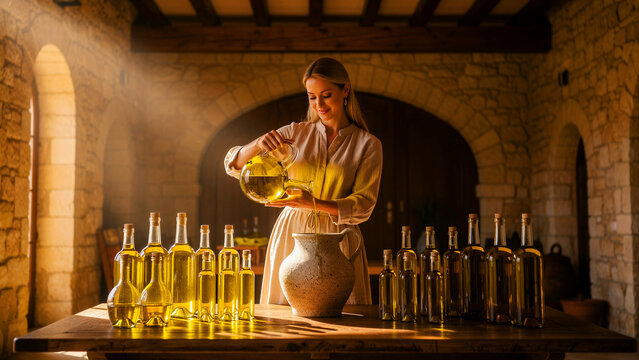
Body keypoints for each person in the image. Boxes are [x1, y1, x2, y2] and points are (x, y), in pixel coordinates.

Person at [224, 57, 383, 305]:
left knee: (345, 320)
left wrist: (314, 203)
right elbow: (234, 165)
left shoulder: (368, 145)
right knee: (285, 319)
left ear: (346, 90)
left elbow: (364, 206)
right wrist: (257, 144)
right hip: (291, 233)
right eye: (312, 96)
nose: (318, 104)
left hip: (338, 236)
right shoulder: (294, 134)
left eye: (326, 95)